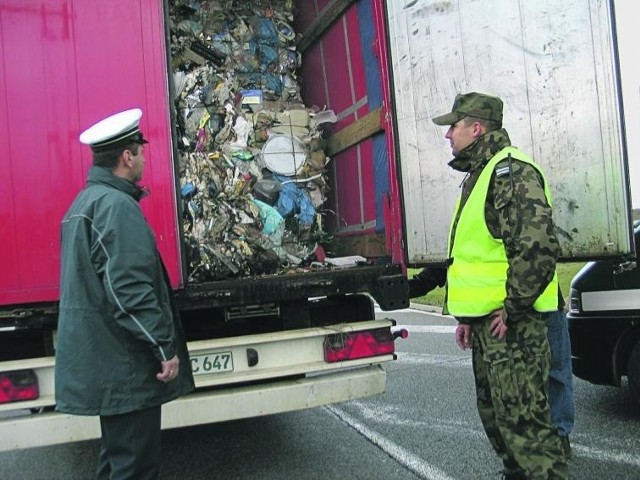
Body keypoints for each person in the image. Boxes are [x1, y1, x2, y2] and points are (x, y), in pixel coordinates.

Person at [410, 92, 568, 479]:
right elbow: (473, 256)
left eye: (454, 126)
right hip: (489, 326)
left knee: (527, 430)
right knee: (500, 421)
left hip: (514, 327)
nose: (448, 135)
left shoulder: (509, 171)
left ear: (476, 128)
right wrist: (468, 316)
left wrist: (513, 308)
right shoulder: (479, 175)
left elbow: (537, 247)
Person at [55, 108, 195, 480]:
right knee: (134, 466)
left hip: (109, 362)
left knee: (117, 461)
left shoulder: (85, 204)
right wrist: (164, 349)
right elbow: (128, 291)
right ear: (127, 157)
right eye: (142, 152)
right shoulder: (116, 207)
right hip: (126, 366)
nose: (146, 159)